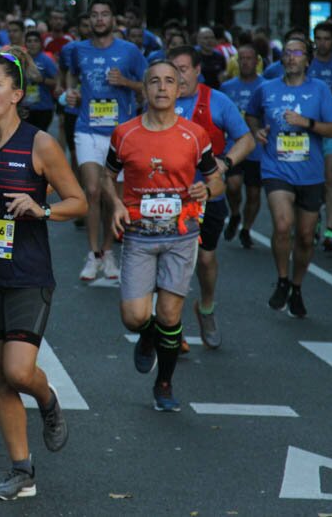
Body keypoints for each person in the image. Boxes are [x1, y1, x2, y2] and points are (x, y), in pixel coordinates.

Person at [0, 52, 87, 500]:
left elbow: (78, 201)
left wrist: (40, 209)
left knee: (19, 370)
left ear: (16, 95)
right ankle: (22, 470)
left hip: (27, 273)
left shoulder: (40, 144)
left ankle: (47, 400)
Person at [104, 61, 224, 412]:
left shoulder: (194, 135)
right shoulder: (124, 133)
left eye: (169, 81)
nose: (161, 87)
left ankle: (165, 382)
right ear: (144, 87)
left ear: (179, 89)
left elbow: (214, 178)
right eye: (154, 81)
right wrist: (114, 206)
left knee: (170, 316)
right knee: (134, 316)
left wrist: (207, 189)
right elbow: (106, 178)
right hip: (139, 234)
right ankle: (145, 335)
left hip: (182, 233)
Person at [246, 37, 332, 317]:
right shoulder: (267, 89)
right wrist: (257, 132)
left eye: (297, 53)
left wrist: (306, 123)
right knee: (283, 224)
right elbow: (251, 114)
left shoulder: (320, 90)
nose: (290, 58)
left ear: (307, 61)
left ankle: (297, 287)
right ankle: (282, 279)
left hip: (310, 173)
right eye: (286, 53)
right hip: (277, 169)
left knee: (303, 237)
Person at [169, 46, 255, 349]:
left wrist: (226, 163)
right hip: (167, 198)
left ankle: (205, 308)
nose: (176, 76)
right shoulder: (160, 101)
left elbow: (246, 138)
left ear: (196, 71)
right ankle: (171, 326)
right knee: (172, 263)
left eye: (182, 69)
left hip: (207, 196)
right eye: (172, 69)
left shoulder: (217, 102)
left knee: (204, 260)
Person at [61, 0, 147, 281]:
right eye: (95, 15)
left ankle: (109, 253)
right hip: (87, 129)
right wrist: (70, 94)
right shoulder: (77, 50)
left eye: (104, 14)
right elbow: (70, 77)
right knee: (94, 191)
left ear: (113, 19)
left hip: (121, 133)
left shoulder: (129, 51)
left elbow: (147, 85)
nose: (99, 19)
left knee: (114, 199)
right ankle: (93, 254)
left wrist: (126, 83)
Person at [220, 44, 265, 248]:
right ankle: (235, 213)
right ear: (237, 62)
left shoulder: (266, 86)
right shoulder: (227, 87)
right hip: (233, 146)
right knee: (233, 185)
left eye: (250, 58)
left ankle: (246, 229)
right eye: (242, 58)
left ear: (257, 61)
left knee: (254, 193)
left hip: (257, 149)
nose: (246, 62)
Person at [308, 21, 332, 252]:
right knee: (315, 179)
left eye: (327, 38)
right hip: (308, 129)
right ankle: (315, 216)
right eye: (318, 38)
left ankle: (330, 228)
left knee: (330, 177)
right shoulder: (307, 64)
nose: (322, 43)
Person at [21, 31, 59, 131]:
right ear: (25, 44)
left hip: (43, 108)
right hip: (25, 108)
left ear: (40, 44)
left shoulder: (46, 60)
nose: (32, 44)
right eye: (29, 41)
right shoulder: (21, 60)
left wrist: (42, 80)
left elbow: (57, 82)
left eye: (35, 41)